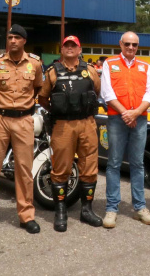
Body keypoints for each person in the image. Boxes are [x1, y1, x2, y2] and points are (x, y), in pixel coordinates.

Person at [0, 24, 44, 238]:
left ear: (24, 41)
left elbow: (39, 88)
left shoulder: (35, 63)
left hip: (24, 119)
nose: (13, 40)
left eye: (17, 37)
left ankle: (26, 215)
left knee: (24, 170)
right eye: (10, 37)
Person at [37, 35, 103, 232]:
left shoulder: (90, 71)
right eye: (67, 45)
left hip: (86, 123)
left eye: (74, 45)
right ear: (62, 50)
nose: (70, 48)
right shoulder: (52, 72)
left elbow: (96, 92)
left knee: (89, 166)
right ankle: (61, 211)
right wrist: (61, 110)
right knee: (60, 168)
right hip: (63, 126)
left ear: (80, 49)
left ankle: (86, 210)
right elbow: (43, 98)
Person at [100, 31, 150, 228]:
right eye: (127, 44)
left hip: (139, 119)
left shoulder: (145, 67)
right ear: (120, 44)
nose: (131, 48)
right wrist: (126, 113)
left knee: (138, 164)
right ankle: (112, 208)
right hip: (117, 119)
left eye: (134, 45)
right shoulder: (109, 63)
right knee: (114, 163)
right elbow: (107, 93)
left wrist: (136, 113)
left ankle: (140, 207)